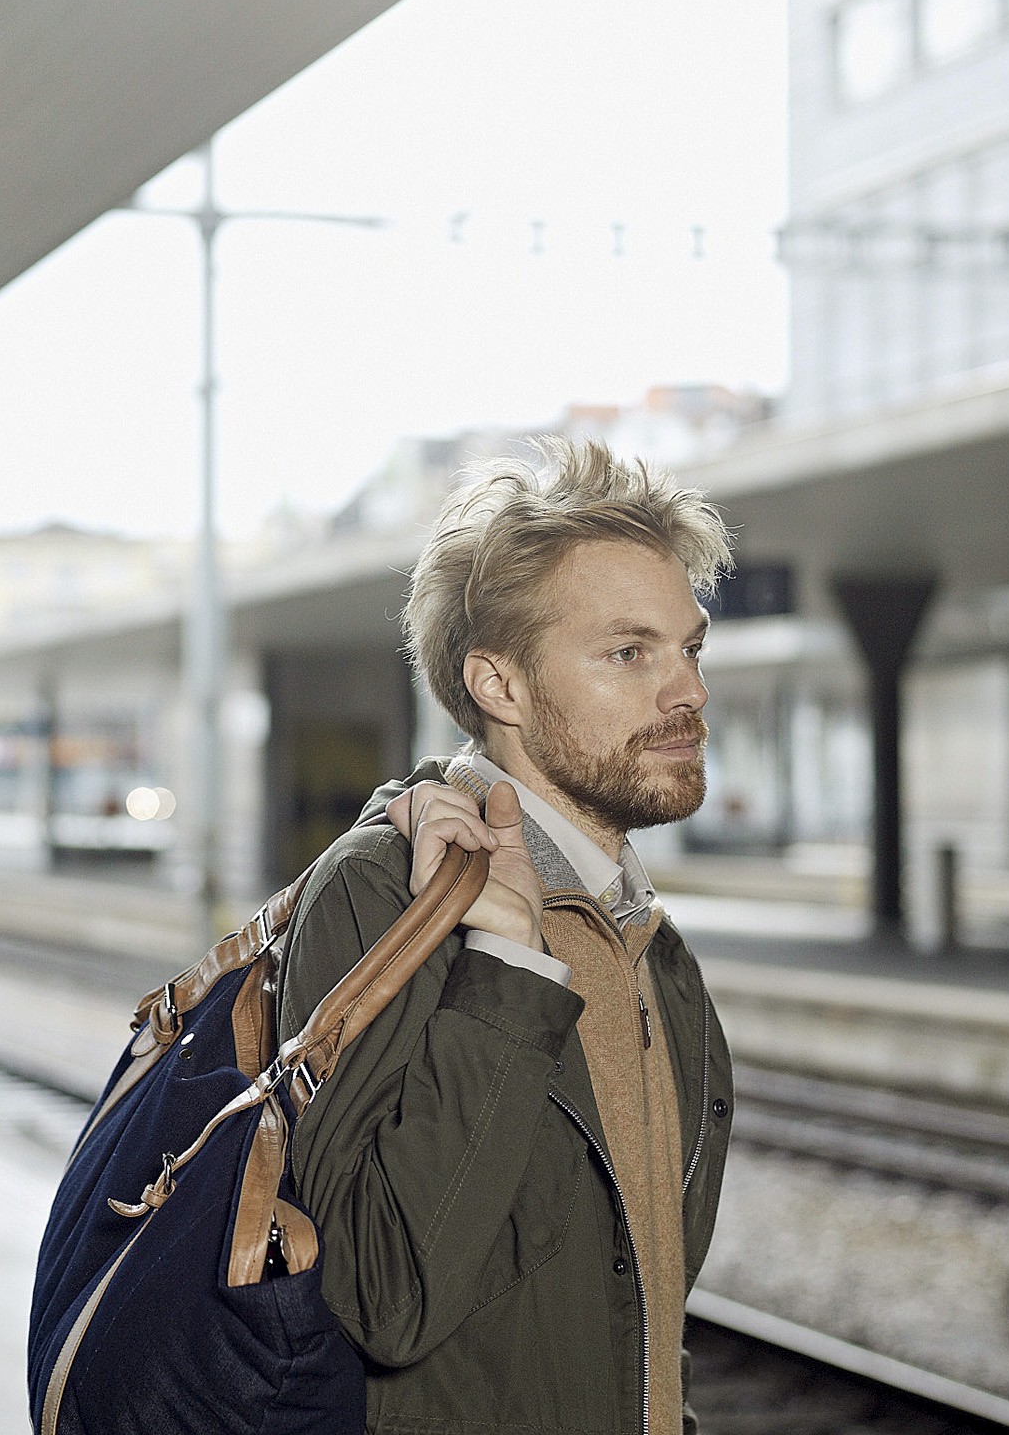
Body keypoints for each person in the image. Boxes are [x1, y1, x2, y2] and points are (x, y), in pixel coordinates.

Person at [275, 438, 735, 1434]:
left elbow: (644, 1306)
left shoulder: (648, 943)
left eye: (689, 648)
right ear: (499, 685)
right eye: (629, 652)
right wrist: (508, 966)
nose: (687, 692)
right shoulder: (385, 895)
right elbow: (385, 1295)